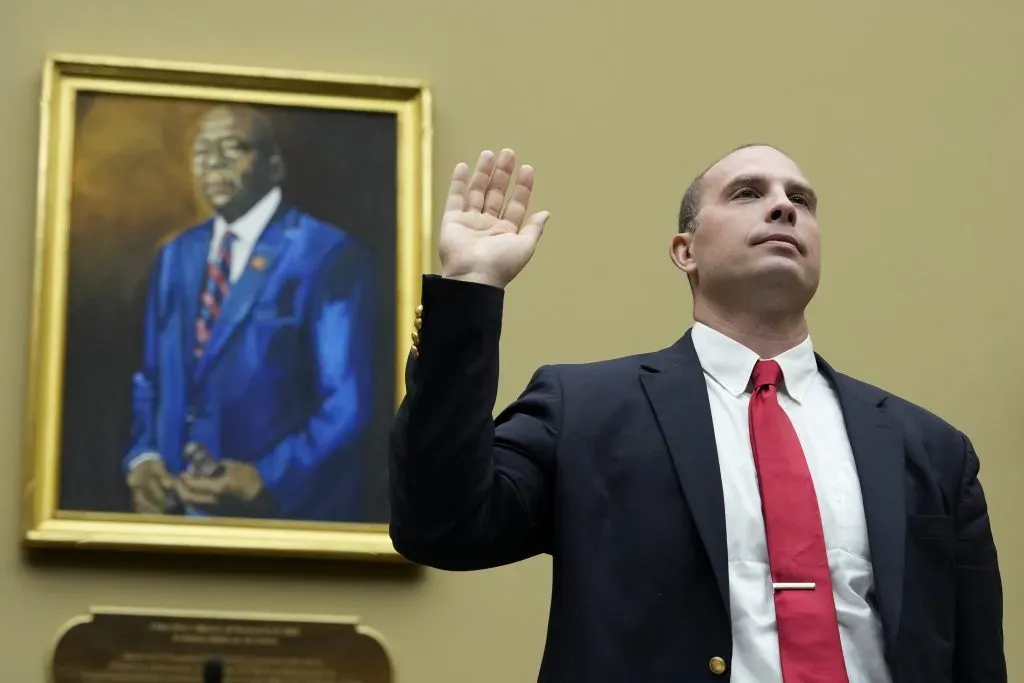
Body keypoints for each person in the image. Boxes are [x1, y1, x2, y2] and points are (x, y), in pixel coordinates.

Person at [388, 145, 1006, 682]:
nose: (784, 206)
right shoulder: (586, 411)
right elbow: (441, 527)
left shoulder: (929, 447)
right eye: (746, 193)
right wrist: (468, 292)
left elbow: (976, 661)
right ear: (685, 251)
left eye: (801, 199)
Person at [123, 104, 377, 522]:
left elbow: (345, 405)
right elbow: (150, 376)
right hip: (173, 520)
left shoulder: (329, 254)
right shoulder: (176, 254)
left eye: (233, 147)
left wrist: (267, 478)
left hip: (276, 522)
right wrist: (144, 456)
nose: (214, 161)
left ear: (274, 165)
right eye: (202, 151)